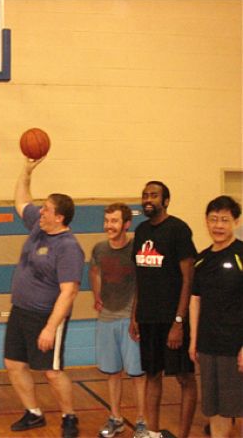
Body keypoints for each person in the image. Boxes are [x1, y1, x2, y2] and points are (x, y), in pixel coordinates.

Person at [4, 157, 85, 438]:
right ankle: (34, 413)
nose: (40, 210)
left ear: (59, 217)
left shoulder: (68, 247)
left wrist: (50, 327)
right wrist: (26, 171)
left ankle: (69, 417)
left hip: (46, 315)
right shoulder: (39, 227)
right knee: (14, 364)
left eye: (46, 209)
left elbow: (69, 291)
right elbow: (20, 201)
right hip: (21, 311)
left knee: (51, 372)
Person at [130, 181, 197, 438]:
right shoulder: (141, 230)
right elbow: (140, 276)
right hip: (148, 318)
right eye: (145, 194)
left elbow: (188, 279)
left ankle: (183, 435)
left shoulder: (178, 230)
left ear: (166, 201)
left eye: (154, 195)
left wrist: (179, 321)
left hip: (172, 319)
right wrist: (135, 314)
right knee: (152, 375)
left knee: (184, 378)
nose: (148, 199)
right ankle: (153, 432)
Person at [89, 203, 147, 438]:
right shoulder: (99, 249)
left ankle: (142, 423)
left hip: (129, 320)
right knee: (112, 373)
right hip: (106, 320)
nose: (108, 226)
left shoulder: (136, 249)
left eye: (114, 221)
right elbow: (94, 271)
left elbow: (144, 282)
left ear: (126, 224)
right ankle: (116, 419)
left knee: (137, 375)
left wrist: (136, 316)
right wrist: (96, 296)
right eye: (107, 221)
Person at [189, 195, 242, 438]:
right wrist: (193, 342)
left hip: (235, 347)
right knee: (215, 410)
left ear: (236, 222)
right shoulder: (202, 259)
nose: (218, 225)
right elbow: (195, 300)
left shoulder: (241, 255)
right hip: (208, 346)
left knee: (237, 408)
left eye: (224, 220)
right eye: (213, 219)